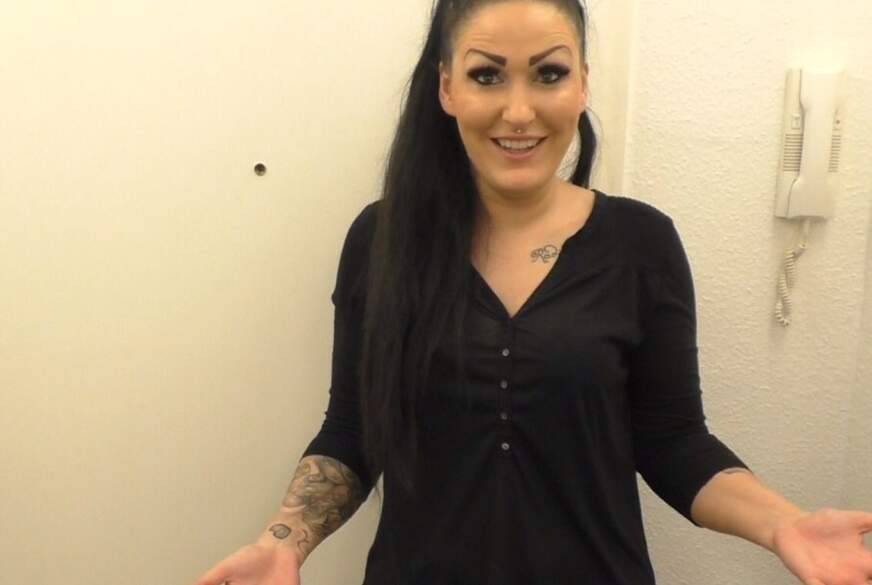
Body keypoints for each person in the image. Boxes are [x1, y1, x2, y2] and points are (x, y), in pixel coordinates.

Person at [192, 1, 872, 584]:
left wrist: (785, 524)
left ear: (582, 84)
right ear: (446, 87)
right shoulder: (382, 240)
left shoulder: (641, 243)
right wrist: (282, 542)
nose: (519, 111)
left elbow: (674, 442)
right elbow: (353, 432)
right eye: (487, 75)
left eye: (548, 73)